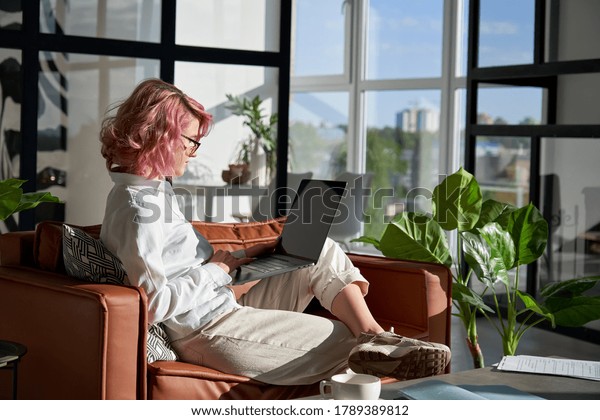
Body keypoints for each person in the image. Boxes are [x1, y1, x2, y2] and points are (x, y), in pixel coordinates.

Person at [99, 78, 450, 386]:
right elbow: (150, 303)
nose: (193, 152)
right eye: (191, 141)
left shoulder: (154, 192)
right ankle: (374, 347)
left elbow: (179, 265)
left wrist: (241, 260)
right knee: (345, 339)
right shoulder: (137, 207)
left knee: (318, 251)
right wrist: (216, 271)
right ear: (162, 138)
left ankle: (374, 335)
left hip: (220, 302)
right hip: (207, 330)